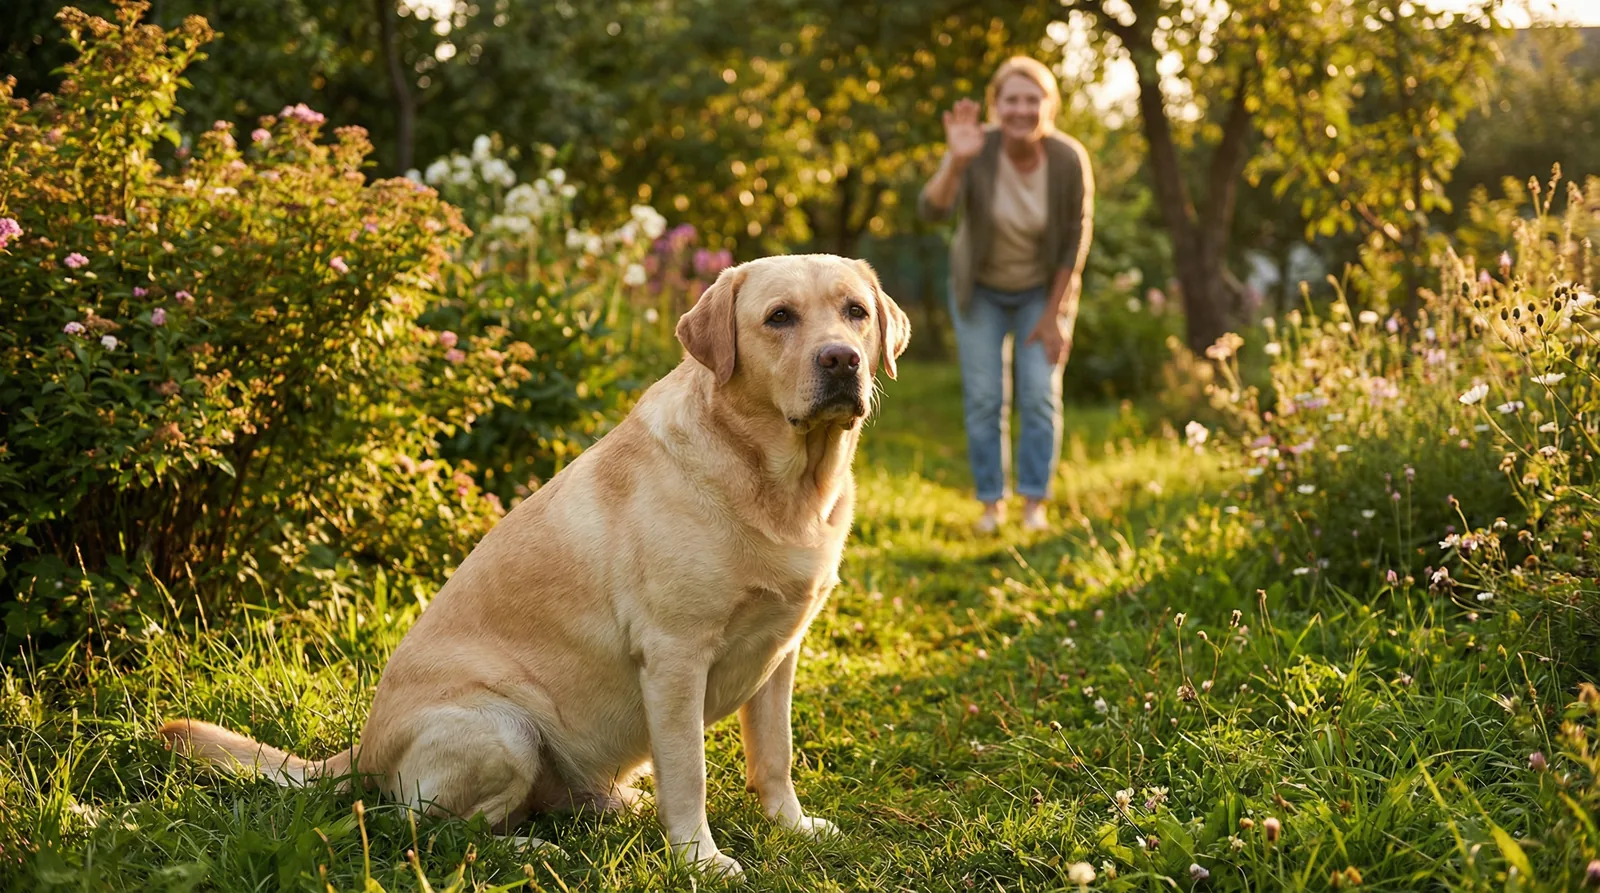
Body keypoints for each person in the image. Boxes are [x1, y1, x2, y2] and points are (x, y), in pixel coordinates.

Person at [918, 55, 1094, 534]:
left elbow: (1075, 237)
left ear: (1048, 105)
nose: (1021, 109)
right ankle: (991, 504)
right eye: (1011, 99)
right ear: (997, 105)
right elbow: (932, 210)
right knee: (984, 398)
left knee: (1039, 393)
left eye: (1032, 99)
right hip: (980, 291)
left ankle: (1034, 501)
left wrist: (1055, 314)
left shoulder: (1067, 157)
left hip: (1042, 290)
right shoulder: (976, 148)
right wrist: (956, 161)